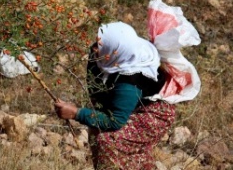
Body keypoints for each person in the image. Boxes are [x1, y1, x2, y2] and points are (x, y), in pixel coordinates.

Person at [55, 22, 176, 170]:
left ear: (117, 51)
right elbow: (95, 89)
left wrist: (76, 113)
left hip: (154, 112)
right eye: (98, 43)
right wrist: (94, 114)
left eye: (100, 45)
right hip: (127, 102)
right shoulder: (102, 54)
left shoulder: (130, 81)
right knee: (96, 129)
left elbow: (115, 121)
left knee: (109, 141)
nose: (95, 48)